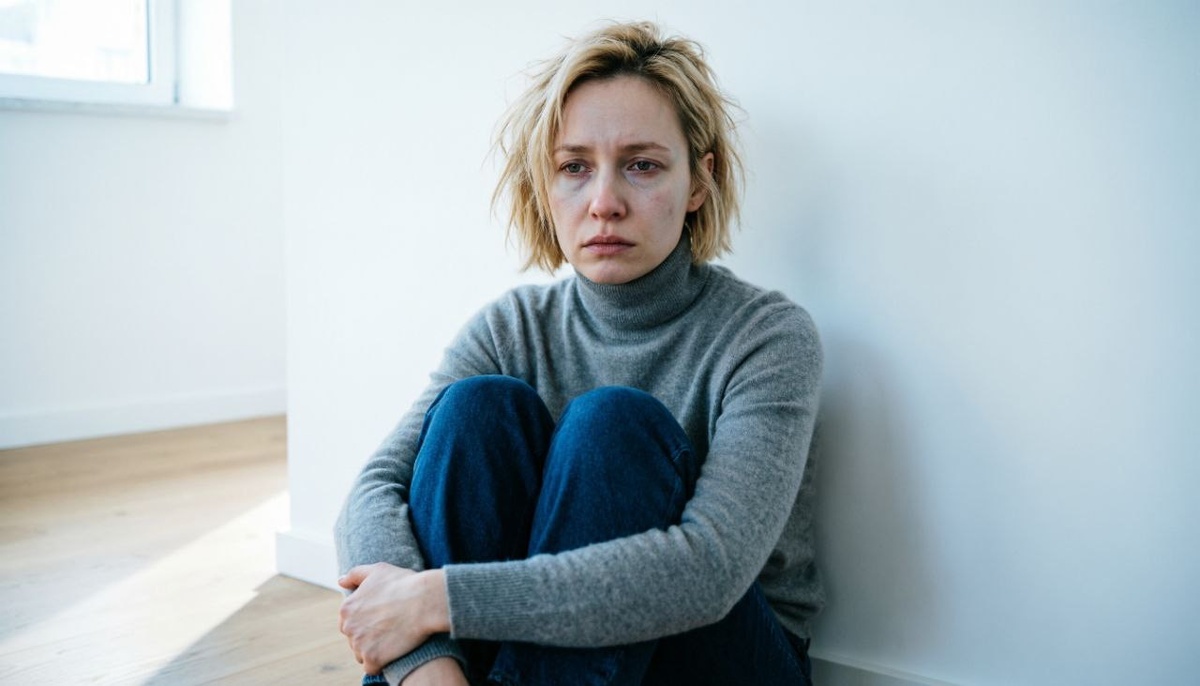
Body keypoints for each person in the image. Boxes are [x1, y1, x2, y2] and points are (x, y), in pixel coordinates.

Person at [335, 20, 823, 686]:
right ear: (546, 185)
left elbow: (709, 569)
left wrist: (434, 599)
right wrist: (425, 663)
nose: (604, 203)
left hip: (725, 660)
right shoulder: (510, 328)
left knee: (611, 424)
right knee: (476, 408)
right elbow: (372, 492)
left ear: (698, 181)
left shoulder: (767, 337)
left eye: (642, 165)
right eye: (574, 168)